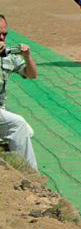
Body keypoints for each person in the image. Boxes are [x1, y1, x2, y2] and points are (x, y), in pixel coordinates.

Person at [0, 14, 38, 171]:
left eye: (4, 34)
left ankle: (10, 167)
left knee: (28, 131)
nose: (2, 37)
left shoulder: (6, 55)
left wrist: (27, 57)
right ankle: (32, 175)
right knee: (17, 125)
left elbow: (31, 74)